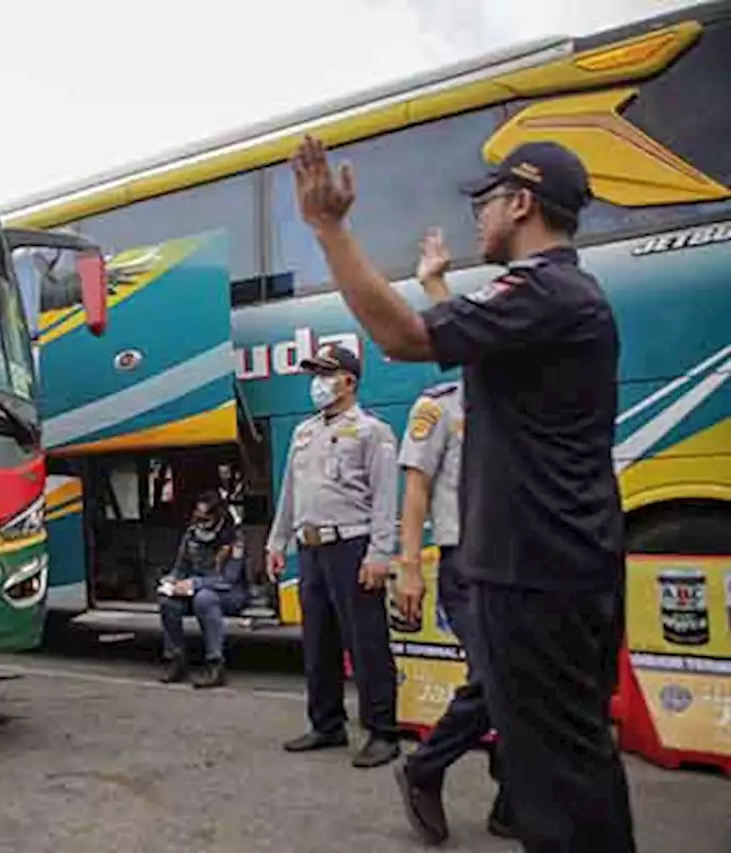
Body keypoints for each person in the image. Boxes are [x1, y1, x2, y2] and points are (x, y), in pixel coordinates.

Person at [289, 135, 634, 851]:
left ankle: (430, 771)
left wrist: (328, 228)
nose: (479, 217)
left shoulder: (544, 291)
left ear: (522, 202)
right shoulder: (558, 300)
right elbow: (467, 342)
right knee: (566, 766)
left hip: (537, 572)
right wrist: (439, 282)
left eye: (487, 201)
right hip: (558, 565)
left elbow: (405, 334)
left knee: (561, 782)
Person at [390, 227, 513, 844]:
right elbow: (415, 490)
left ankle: (512, 795)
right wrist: (409, 566)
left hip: (518, 561)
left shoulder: (512, 401)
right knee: (495, 678)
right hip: (464, 564)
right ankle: (425, 768)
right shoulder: (440, 406)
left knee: (521, 679)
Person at [266, 343, 402, 769]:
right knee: (317, 641)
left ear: (349, 381)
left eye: (326, 375)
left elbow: (385, 499)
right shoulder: (303, 432)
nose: (318, 384)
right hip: (310, 548)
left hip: (353, 546)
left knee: (366, 642)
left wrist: (380, 554)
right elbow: (290, 490)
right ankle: (327, 723)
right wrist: (276, 542)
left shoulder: (372, 431)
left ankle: (383, 731)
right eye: (314, 375)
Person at [158, 491, 247, 688]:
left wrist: (194, 584)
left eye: (206, 519)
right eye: (198, 517)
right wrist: (171, 583)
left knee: (204, 599)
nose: (201, 523)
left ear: (219, 517)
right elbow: (179, 569)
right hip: (195, 589)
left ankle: (215, 663)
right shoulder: (191, 535)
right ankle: (175, 658)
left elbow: (229, 579)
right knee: (167, 602)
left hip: (229, 593)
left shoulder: (234, 539)